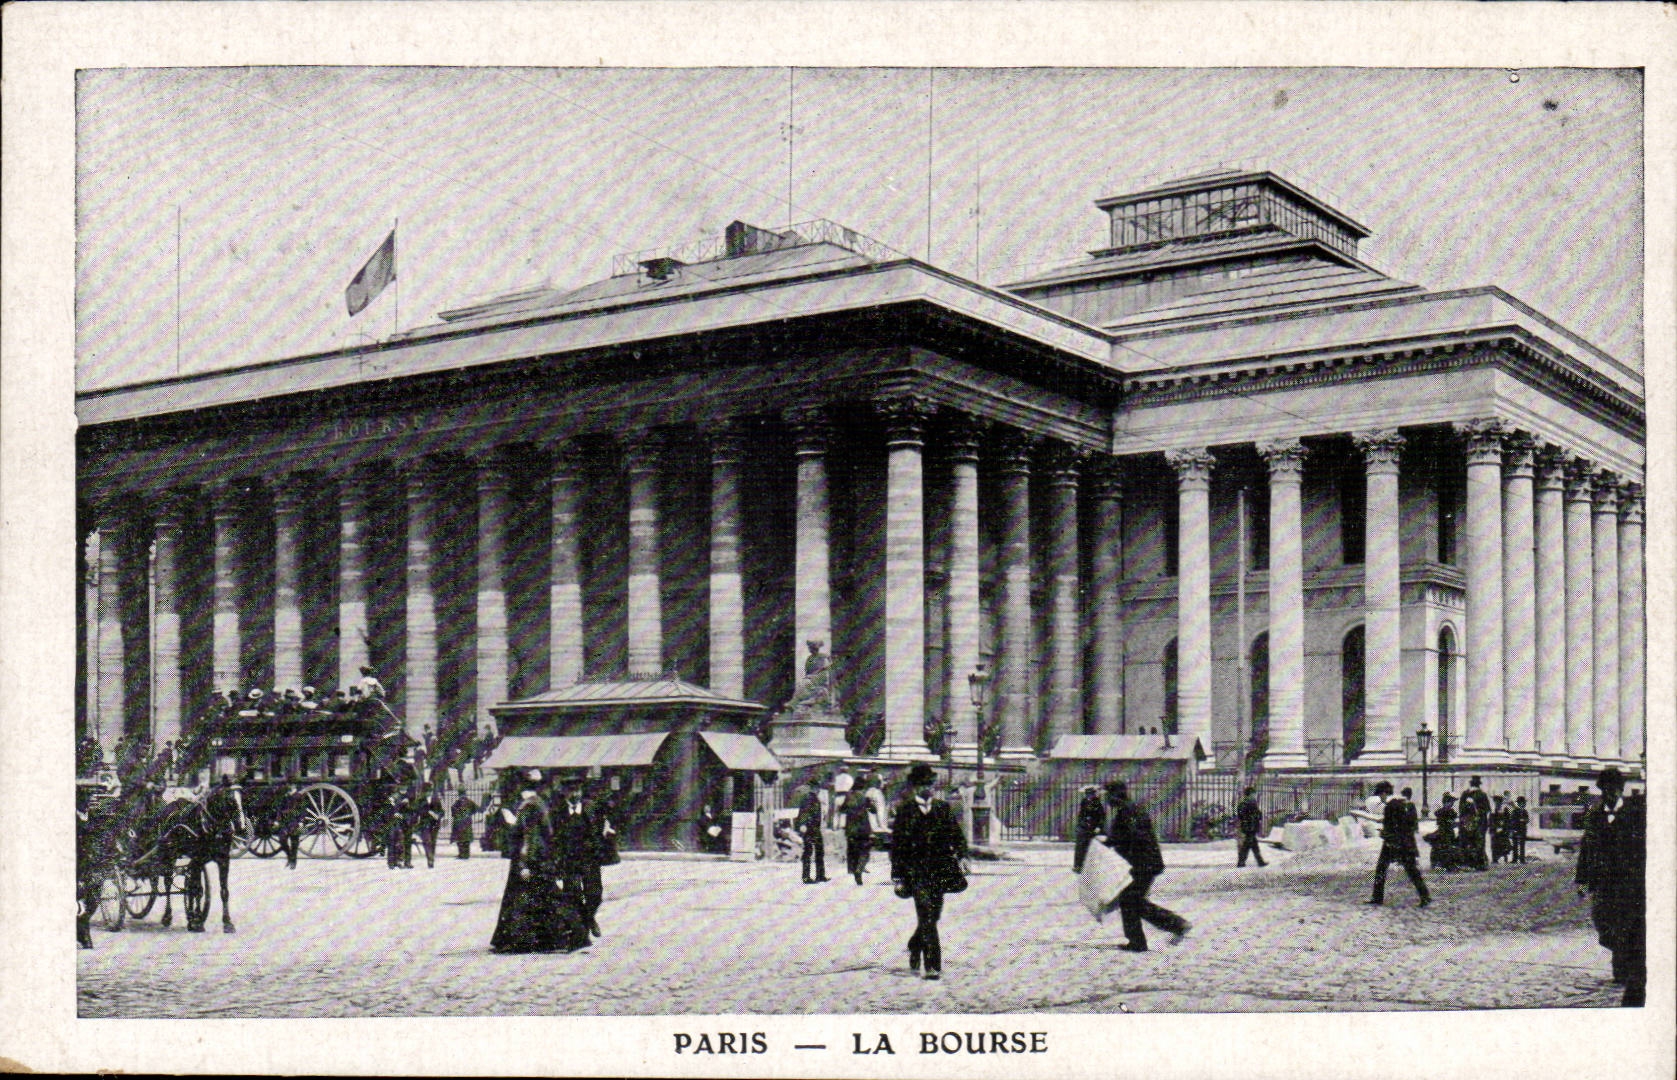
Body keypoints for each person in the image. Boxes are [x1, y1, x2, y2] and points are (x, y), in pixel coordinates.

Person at [889, 763, 968, 981]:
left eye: (930, 784)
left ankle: (915, 944)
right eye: (922, 784)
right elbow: (897, 846)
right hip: (916, 872)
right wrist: (897, 875)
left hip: (940, 870)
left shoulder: (943, 808)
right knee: (926, 915)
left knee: (934, 915)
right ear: (915, 787)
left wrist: (963, 856)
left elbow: (956, 835)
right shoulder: (905, 811)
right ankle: (932, 965)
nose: (927, 788)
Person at [1575, 768, 1645, 1006]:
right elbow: (1587, 848)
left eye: (1613, 790)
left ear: (1621, 790)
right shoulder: (1595, 816)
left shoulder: (1636, 814)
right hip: (1603, 882)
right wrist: (1582, 879)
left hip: (1629, 883)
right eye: (1605, 791)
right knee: (1604, 921)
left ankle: (1624, 969)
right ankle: (1621, 962)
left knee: (1627, 924)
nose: (1609, 795)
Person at [1098, 781, 1190, 951]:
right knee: (1132, 900)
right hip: (1144, 862)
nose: (1107, 800)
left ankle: (1174, 926)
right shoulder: (1130, 809)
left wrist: (1110, 842)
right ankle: (1143, 939)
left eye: (1108, 795)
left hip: (1143, 863)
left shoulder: (1127, 811)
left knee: (1130, 900)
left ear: (1115, 795)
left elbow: (1131, 836)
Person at [490, 772, 568, 954]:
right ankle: (551, 938)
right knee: (543, 896)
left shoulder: (528, 807)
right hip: (540, 857)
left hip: (530, 858)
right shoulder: (539, 803)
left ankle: (523, 940)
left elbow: (529, 837)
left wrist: (524, 863)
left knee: (523, 898)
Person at [550, 774, 606, 944]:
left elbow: (601, 828)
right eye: (570, 791)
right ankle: (583, 928)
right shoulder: (557, 813)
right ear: (564, 793)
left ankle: (589, 918)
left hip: (589, 859)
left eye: (577, 791)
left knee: (595, 894)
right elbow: (553, 838)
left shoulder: (592, 808)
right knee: (573, 895)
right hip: (569, 861)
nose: (574, 795)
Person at [1368, 786, 1431, 907]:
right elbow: (1409, 824)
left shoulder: (1390, 806)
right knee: (1412, 870)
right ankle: (1425, 896)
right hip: (1406, 843)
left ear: (1385, 793)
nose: (1380, 798)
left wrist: (1384, 833)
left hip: (1392, 843)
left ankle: (1377, 897)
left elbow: (1390, 825)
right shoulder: (1406, 804)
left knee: (1381, 868)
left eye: (1380, 795)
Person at [795, 778, 828, 884]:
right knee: (808, 851)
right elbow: (804, 812)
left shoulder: (814, 798)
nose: (818, 789)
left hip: (815, 828)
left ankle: (820, 875)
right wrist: (803, 825)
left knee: (819, 851)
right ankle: (806, 877)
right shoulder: (809, 798)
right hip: (809, 828)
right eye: (817, 787)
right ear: (814, 788)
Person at [841, 784, 873, 884]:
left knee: (852, 850)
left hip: (851, 830)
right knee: (864, 850)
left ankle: (852, 869)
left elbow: (842, 810)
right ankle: (859, 869)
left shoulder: (848, 797)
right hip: (863, 829)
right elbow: (874, 810)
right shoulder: (865, 798)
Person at [1458, 776, 1492, 871]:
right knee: (1479, 842)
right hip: (1478, 823)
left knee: (1468, 842)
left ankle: (1468, 863)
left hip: (1467, 822)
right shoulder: (1482, 794)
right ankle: (1479, 863)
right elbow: (1487, 810)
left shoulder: (1465, 794)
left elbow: (1461, 809)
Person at [1073, 786, 1106, 873]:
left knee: (1092, 847)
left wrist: (1099, 827)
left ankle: (1090, 865)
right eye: (1087, 795)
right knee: (1080, 846)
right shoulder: (1084, 802)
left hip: (1093, 827)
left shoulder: (1097, 803)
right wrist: (1080, 825)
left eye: (1090, 795)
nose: (1089, 797)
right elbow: (1081, 815)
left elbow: (1102, 816)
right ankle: (1078, 865)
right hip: (1084, 827)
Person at [413, 785, 444, 868]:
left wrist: (438, 815)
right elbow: (416, 812)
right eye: (427, 791)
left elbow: (442, 812)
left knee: (433, 842)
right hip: (424, 824)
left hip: (434, 825)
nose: (429, 793)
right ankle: (429, 858)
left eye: (430, 791)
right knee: (427, 841)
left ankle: (431, 858)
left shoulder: (436, 800)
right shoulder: (420, 801)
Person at [275, 780, 305, 870]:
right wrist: (277, 820)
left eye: (291, 786)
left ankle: (293, 862)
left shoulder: (299, 797)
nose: (290, 788)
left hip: (294, 821)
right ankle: (289, 856)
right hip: (285, 821)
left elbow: (303, 810)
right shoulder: (285, 797)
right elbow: (280, 809)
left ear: (294, 787)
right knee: (282, 839)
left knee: (294, 843)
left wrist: (301, 821)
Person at [1235, 787, 1267, 868]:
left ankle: (1259, 861)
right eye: (1253, 793)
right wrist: (1255, 816)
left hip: (1251, 826)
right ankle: (1242, 862)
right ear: (1250, 794)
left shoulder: (1248, 803)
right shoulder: (1246, 803)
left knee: (1252, 844)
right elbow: (1244, 815)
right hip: (1249, 827)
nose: (1255, 795)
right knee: (1248, 845)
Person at [1428, 792, 1460, 872]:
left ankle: (1443, 864)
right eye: (1451, 802)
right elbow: (1447, 823)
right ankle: (1446, 864)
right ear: (1446, 802)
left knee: (1445, 848)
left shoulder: (1447, 812)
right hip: (1445, 833)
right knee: (1446, 848)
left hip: (1446, 832)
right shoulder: (1445, 812)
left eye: (1452, 802)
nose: (1452, 804)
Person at [385, 789, 413, 869]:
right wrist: (395, 813)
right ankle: (393, 862)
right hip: (395, 822)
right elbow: (389, 808)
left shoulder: (409, 796)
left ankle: (406, 862)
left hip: (406, 821)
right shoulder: (394, 797)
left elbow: (412, 809)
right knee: (394, 842)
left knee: (406, 842)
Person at [451, 791, 479, 859]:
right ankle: (465, 854)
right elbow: (476, 809)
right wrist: (469, 814)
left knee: (460, 840)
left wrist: (457, 815)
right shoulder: (468, 802)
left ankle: (462, 854)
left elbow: (453, 811)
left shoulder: (457, 802)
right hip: (466, 823)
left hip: (459, 823)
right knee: (466, 840)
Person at [830, 764, 855, 829]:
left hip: (838, 795)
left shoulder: (837, 778)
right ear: (847, 770)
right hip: (845, 795)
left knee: (836, 812)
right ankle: (841, 826)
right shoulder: (849, 778)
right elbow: (851, 787)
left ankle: (835, 826)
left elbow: (834, 786)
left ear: (841, 770)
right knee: (843, 812)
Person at [1510, 795, 1530, 864]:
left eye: (1523, 803)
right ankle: (1514, 859)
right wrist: (1519, 821)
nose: (1522, 804)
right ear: (1518, 803)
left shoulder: (1525, 811)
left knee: (1522, 845)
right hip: (1516, 829)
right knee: (1515, 845)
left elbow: (1527, 820)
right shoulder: (1514, 811)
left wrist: (1523, 820)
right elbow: (1512, 820)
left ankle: (1522, 859)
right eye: (1520, 803)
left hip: (1523, 830)